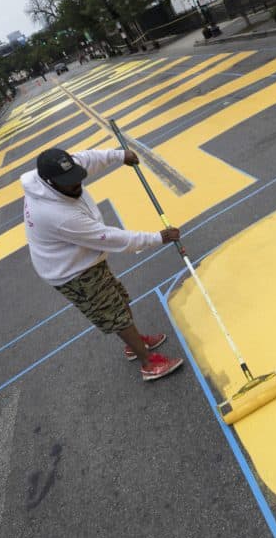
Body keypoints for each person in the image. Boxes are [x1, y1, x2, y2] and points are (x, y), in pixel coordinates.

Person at [21, 147, 184, 381]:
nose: (76, 184)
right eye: (69, 183)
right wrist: (158, 238)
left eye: (77, 177)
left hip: (82, 255)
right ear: (50, 183)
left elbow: (87, 158)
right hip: (70, 271)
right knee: (113, 312)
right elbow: (111, 238)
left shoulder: (57, 172)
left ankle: (134, 344)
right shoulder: (56, 215)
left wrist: (119, 155)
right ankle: (148, 363)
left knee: (118, 298)